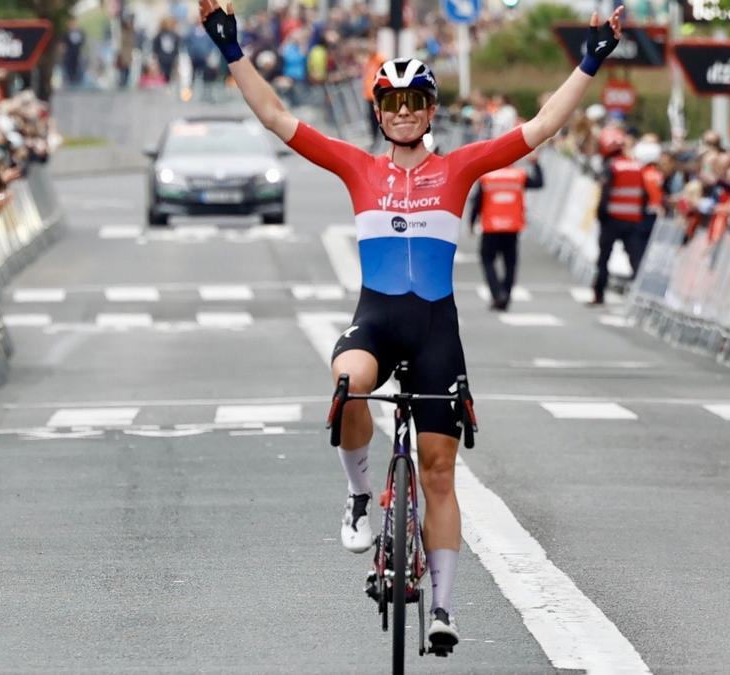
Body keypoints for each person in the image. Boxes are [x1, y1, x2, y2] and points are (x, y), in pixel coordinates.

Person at [197, 0, 624, 652]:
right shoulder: (357, 167)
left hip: (434, 330)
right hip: (375, 320)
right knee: (346, 384)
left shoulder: (458, 168)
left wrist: (591, 59)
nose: (401, 112)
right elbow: (279, 117)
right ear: (379, 111)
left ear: (429, 111)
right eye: (390, 102)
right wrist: (230, 50)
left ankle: (444, 607)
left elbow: (540, 126)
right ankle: (359, 494)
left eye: (413, 102)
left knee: (438, 471)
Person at [591, 126, 659, 305]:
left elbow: (605, 193)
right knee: (636, 259)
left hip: (612, 220)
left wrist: (600, 214)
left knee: (604, 259)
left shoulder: (612, 166)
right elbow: (644, 195)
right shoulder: (637, 166)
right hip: (633, 221)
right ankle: (641, 298)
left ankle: (599, 294)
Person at [468, 153, 544, 310]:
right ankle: (506, 296)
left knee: (487, 260)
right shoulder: (518, 175)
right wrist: (536, 164)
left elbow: (477, 202)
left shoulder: (487, 177)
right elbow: (538, 183)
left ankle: (497, 294)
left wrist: (471, 222)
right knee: (510, 264)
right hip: (512, 227)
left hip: (491, 227)